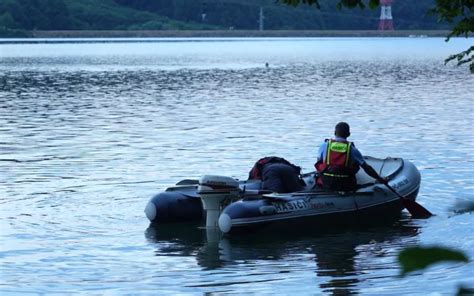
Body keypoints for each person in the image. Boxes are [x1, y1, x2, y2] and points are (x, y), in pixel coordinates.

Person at [314, 122, 387, 192]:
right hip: (345, 185)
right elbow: (367, 168)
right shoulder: (353, 150)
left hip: (326, 183)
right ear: (348, 134)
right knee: (355, 165)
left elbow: (319, 163)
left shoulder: (324, 146)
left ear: (335, 133)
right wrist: (380, 179)